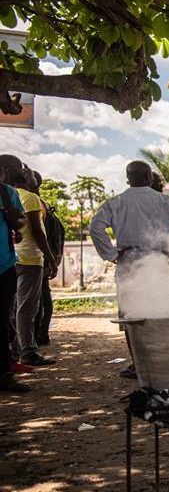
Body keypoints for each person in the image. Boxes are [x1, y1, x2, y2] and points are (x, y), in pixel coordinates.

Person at [90, 161, 169, 378]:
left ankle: (139, 365)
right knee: (161, 312)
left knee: (132, 315)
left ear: (128, 179)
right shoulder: (166, 201)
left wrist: (112, 254)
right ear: (149, 177)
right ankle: (162, 362)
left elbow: (95, 226)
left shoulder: (116, 202)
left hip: (128, 261)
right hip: (158, 261)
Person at [10, 164, 57, 367]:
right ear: (23, 177)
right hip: (30, 259)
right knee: (27, 308)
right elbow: (38, 232)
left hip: (13, 258)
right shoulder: (30, 198)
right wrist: (51, 258)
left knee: (15, 306)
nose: (32, 175)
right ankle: (27, 351)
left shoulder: (10, 195)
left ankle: (16, 348)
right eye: (28, 172)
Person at [0, 154, 29, 392]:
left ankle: (4, 374)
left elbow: (21, 221)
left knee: (2, 320)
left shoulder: (8, 193)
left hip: (5, 265)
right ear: (6, 168)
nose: (21, 170)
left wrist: (15, 220)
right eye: (17, 167)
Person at [30, 171, 64, 347]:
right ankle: (41, 333)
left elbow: (38, 234)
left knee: (37, 298)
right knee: (43, 295)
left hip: (38, 257)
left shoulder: (35, 203)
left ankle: (38, 334)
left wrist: (50, 259)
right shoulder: (43, 203)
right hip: (42, 257)